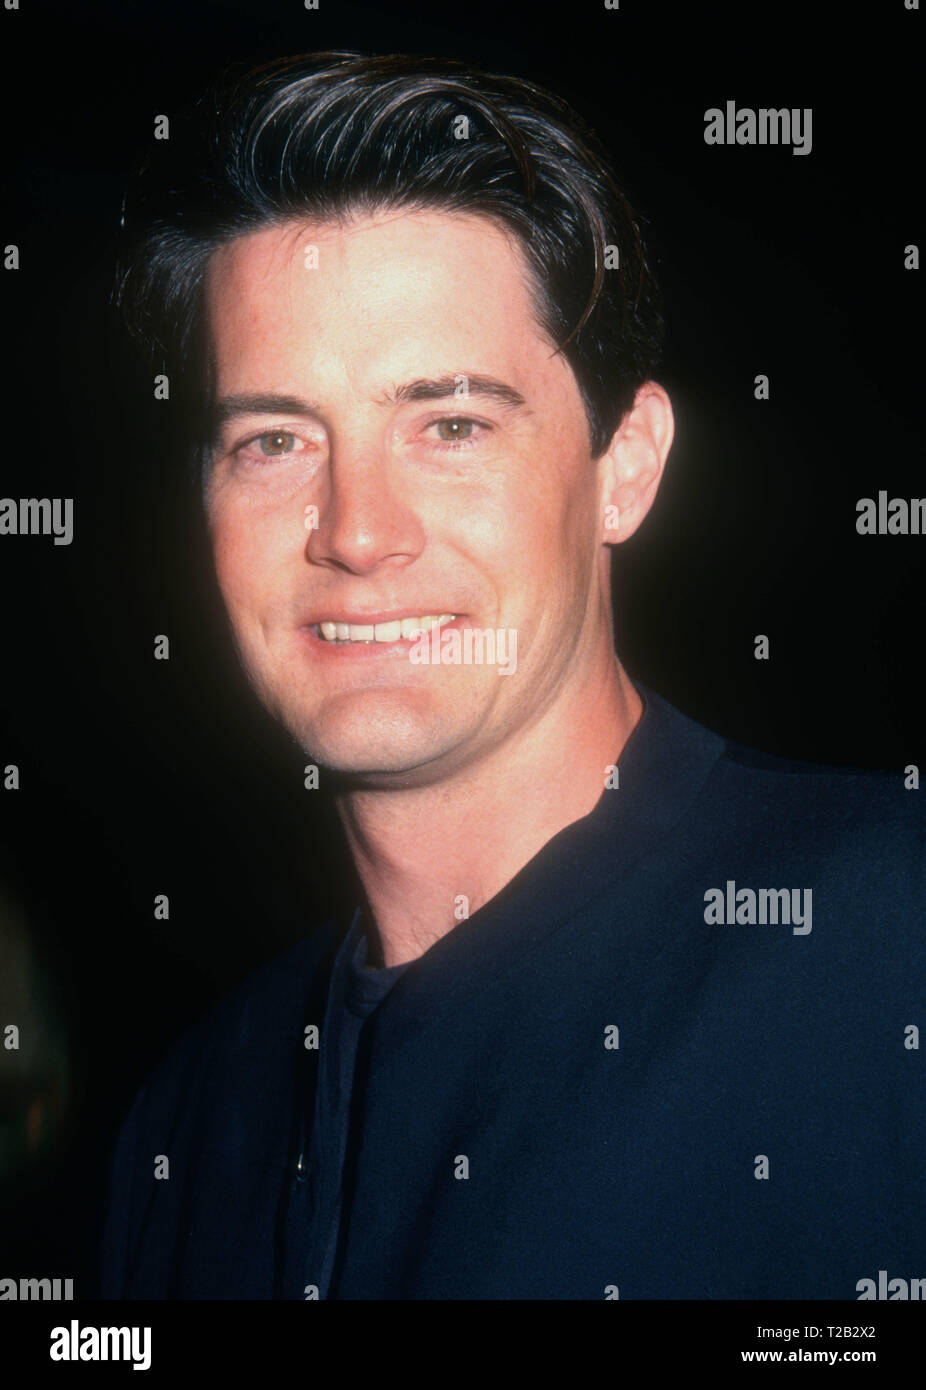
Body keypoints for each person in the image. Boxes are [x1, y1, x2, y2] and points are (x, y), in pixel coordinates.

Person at [100, 51, 925, 1300]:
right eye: (274, 439)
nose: (358, 530)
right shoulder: (189, 1122)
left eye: (450, 425)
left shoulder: (882, 937)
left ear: (625, 467)